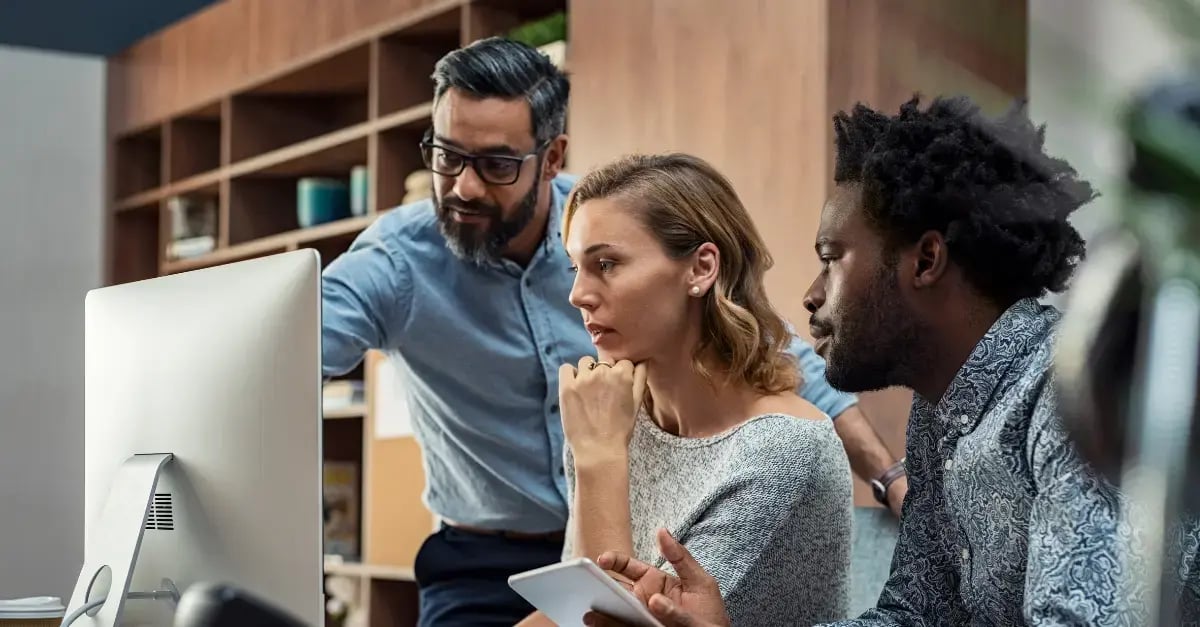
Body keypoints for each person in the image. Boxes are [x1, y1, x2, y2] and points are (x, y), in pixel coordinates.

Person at [320, 36, 902, 626]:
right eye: (447, 157)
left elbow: (788, 365)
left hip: (595, 532)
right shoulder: (396, 263)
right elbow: (289, 352)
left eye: (496, 164)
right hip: (483, 551)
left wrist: (890, 474)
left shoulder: (608, 218)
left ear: (551, 158)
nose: (465, 186)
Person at [580, 95, 1200, 626]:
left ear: (925, 262)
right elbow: (915, 616)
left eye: (833, 257)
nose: (812, 295)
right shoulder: (942, 416)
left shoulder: (1067, 393)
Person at [518, 153, 853, 626]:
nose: (577, 294)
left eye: (607, 264)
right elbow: (567, 612)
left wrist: (599, 459)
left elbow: (605, 625)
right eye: (576, 267)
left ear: (700, 268)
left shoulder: (786, 451)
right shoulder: (614, 419)